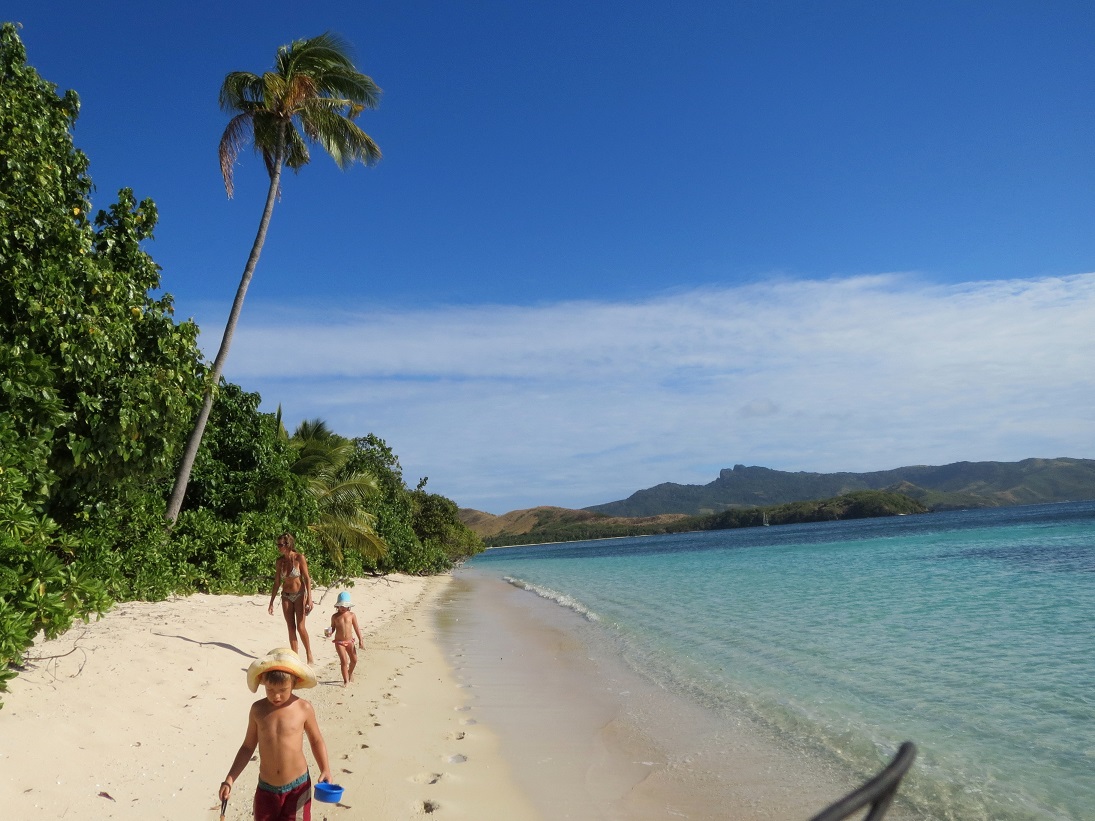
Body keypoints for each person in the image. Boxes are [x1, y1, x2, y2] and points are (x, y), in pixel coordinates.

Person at [219, 648, 332, 821]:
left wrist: (325, 769)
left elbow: (316, 740)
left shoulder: (304, 708)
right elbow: (247, 747)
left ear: (294, 683)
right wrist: (230, 779)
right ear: (263, 683)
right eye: (270, 690)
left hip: (297, 787)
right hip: (266, 789)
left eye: (283, 689)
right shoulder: (258, 710)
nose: (276, 696)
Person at [268, 533, 315, 664]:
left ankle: (309, 653)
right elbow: (277, 582)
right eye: (277, 544)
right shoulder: (280, 561)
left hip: (300, 594)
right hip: (286, 596)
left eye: (280, 545)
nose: (278, 547)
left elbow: (307, 578)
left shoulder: (299, 558)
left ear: (288, 545)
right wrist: (271, 602)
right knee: (291, 627)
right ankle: (295, 657)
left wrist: (309, 598)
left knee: (300, 627)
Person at [327, 591, 365, 687]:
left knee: (354, 660)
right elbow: (333, 628)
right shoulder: (335, 616)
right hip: (339, 642)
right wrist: (329, 632)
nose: (343, 607)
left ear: (349, 606)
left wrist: (361, 640)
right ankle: (346, 681)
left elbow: (356, 628)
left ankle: (350, 672)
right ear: (337, 606)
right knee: (344, 661)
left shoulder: (352, 615)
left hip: (349, 641)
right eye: (341, 606)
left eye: (345, 606)